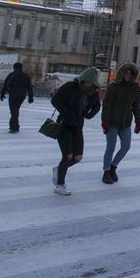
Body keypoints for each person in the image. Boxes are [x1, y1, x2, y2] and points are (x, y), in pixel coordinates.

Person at [50, 67, 101, 195]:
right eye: (88, 82)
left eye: (92, 82)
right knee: (67, 156)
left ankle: (59, 170)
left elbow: (97, 106)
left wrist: (88, 115)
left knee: (77, 157)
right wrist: (67, 113)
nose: (90, 84)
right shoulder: (71, 87)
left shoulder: (93, 92)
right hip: (64, 125)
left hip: (78, 127)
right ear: (83, 80)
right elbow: (55, 100)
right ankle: (60, 184)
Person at [101, 62, 140, 184]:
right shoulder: (113, 87)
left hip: (125, 123)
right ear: (122, 73)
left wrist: (138, 121)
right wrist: (104, 122)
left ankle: (113, 166)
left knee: (126, 146)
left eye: (130, 74)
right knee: (110, 147)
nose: (128, 76)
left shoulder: (135, 87)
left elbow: (136, 106)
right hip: (112, 122)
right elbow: (107, 106)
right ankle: (106, 171)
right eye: (126, 73)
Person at [1, 62, 33, 133]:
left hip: (13, 94)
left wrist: (2, 93)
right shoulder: (26, 75)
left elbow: (6, 84)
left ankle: (15, 127)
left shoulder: (12, 75)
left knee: (14, 110)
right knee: (15, 110)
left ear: (14, 67)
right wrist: (30, 97)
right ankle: (13, 125)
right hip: (22, 95)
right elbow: (29, 87)